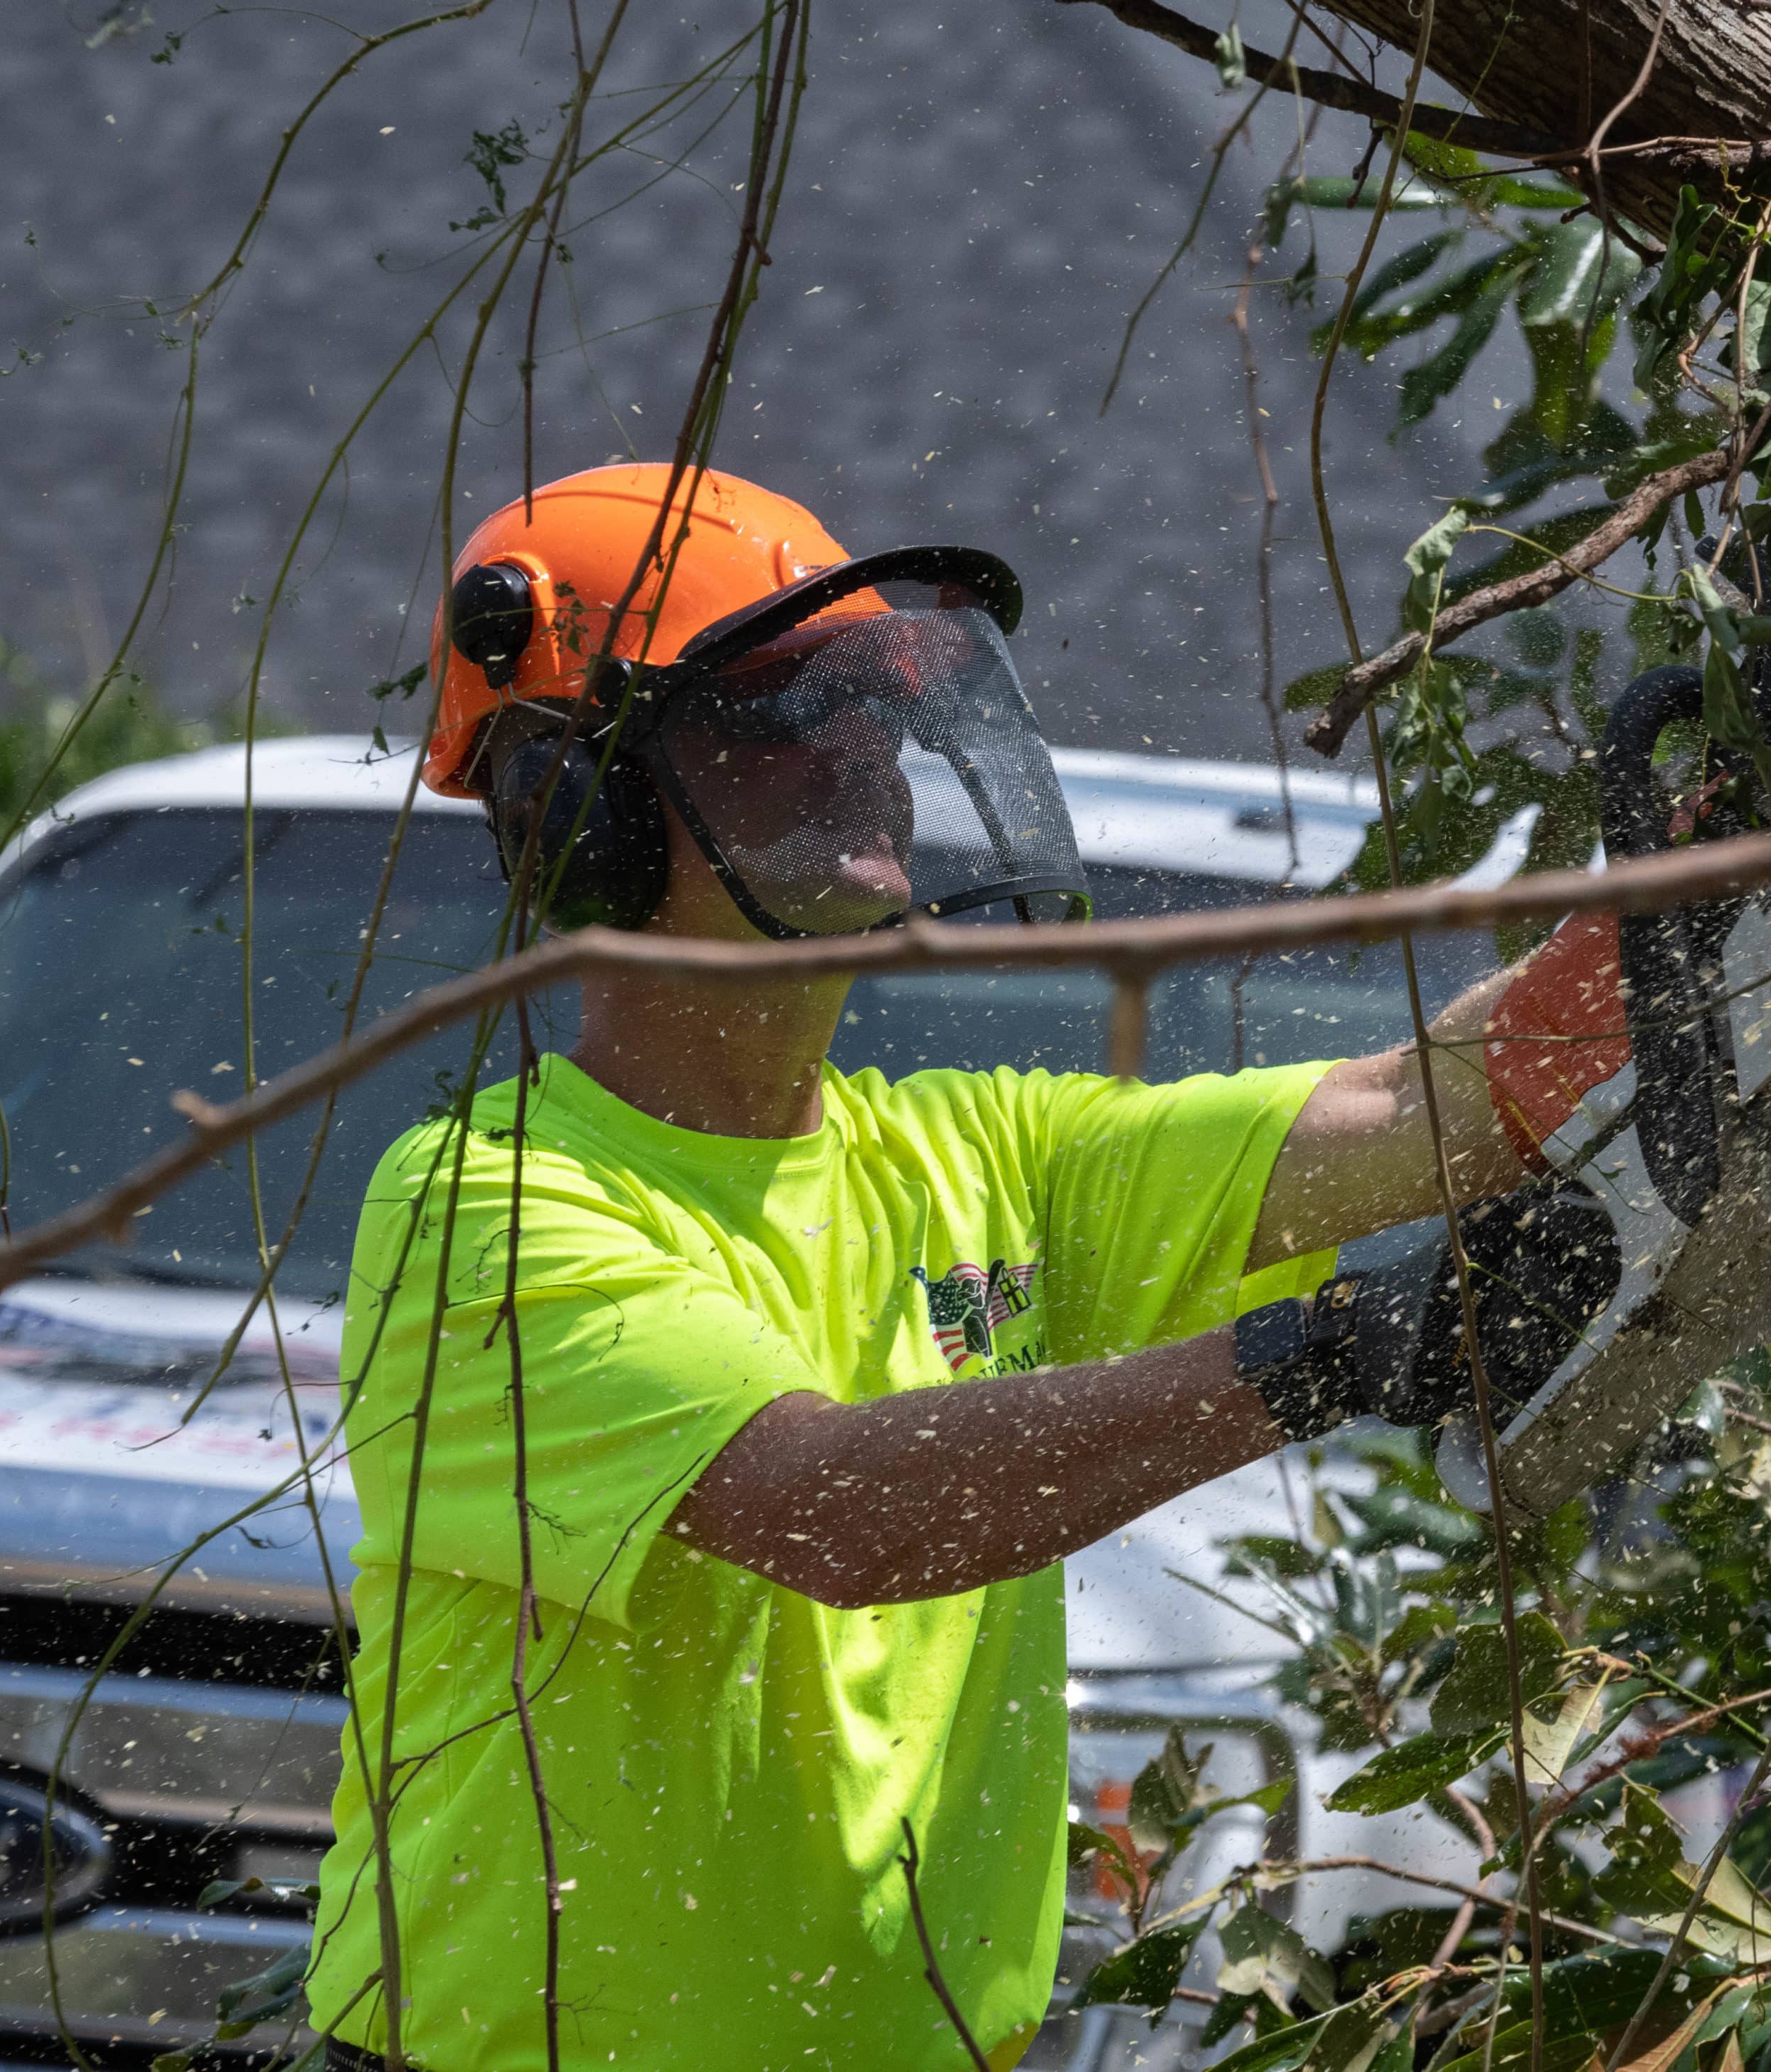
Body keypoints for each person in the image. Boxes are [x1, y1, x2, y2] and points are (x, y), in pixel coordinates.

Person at [304, 463, 1630, 2069]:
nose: (862, 755)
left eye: (874, 707)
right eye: (783, 714)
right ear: (578, 808)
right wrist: (1325, 1356)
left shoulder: (984, 1157)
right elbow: (835, 1508)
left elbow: (1431, 1107)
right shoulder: (486, 1208)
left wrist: (1727, 847)